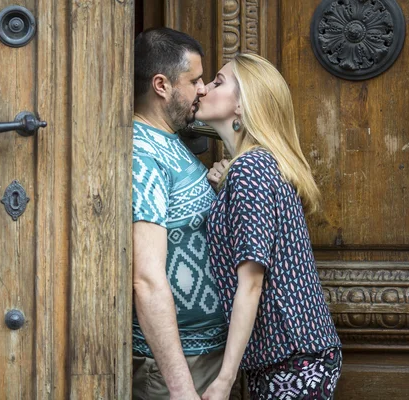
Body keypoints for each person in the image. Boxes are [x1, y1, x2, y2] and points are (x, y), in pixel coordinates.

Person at [195, 53, 342, 400]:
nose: (203, 89)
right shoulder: (252, 168)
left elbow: (251, 282)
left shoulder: (252, 170)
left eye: (218, 81)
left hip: (293, 361)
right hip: (286, 358)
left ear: (242, 107)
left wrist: (224, 379)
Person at [131, 27, 228, 400]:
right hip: (176, 369)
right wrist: (181, 387)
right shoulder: (143, 154)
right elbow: (146, 278)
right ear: (161, 85)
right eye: (195, 80)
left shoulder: (170, 139)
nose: (203, 89)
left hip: (204, 357)